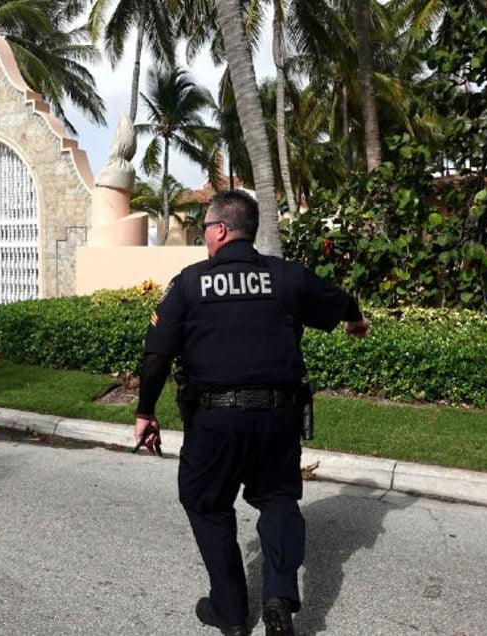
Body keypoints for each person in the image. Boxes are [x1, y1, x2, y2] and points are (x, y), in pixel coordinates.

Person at [133, 190, 370, 636]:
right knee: (278, 499)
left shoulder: (188, 283)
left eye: (204, 227)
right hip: (278, 418)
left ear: (220, 230)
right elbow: (337, 299)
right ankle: (278, 595)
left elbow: (156, 356)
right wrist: (355, 319)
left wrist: (145, 412)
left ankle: (231, 611)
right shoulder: (285, 276)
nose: (203, 235)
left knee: (207, 503)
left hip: (214, 421)